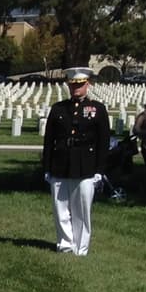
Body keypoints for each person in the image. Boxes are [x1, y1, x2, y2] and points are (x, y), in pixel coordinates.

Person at [42, 67, 110, 255]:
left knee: (81, 209)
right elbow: (49, 140)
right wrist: (47, 167)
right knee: (60, 209)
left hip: (86, 166)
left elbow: (103, 142)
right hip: (60, 164)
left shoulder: (97, 109)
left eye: (80, 85)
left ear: (88, 84)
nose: (76, 88)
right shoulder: (59, 108)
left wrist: (100, 170)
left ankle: (80, 248)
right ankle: (65, 245)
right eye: (72, 85)